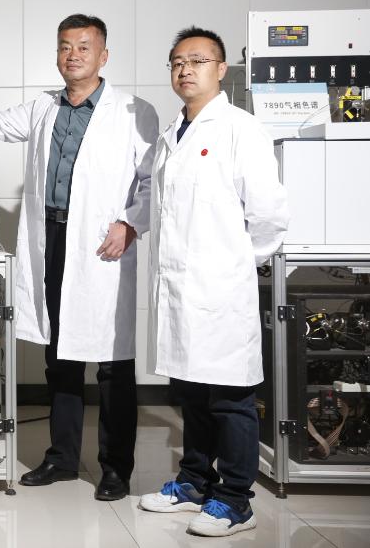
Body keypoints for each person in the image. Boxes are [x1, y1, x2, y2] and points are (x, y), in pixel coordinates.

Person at [0, 14, 158, 501]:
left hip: (103, 242)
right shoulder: (43, 107)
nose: (74, 55)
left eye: (84, 47)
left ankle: (116, 468)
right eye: (66, 46)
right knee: (59, 355)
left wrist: (130, 223)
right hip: (50, 235)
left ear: (103, 56)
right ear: (56, 54)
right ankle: (63, 458)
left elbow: (154, 180)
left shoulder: (134, 111)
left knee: (112, 362)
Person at [139, 27, 289, 537]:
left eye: (198, 60)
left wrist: (233, 265)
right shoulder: (172, 134)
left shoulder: (240, 129)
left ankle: (235, 500)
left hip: (221, 289)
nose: (186, 70)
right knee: (193, 393)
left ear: (221, 69)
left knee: (230, 398)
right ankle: (194, 483)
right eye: (177, 62)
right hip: (180, 291)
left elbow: (268, 216)